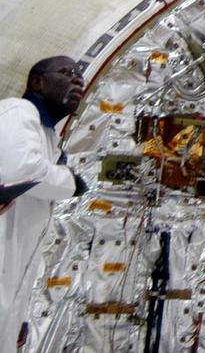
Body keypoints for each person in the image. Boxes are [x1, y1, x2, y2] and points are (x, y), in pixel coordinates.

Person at [0, 56, 88, 351]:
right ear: (38, 82)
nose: (77, 80)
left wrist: (18, 317)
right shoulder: (17, 110)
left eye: (80, 76)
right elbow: (20, 169)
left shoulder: (48, 137)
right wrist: (69, 182)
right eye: (67, 73)